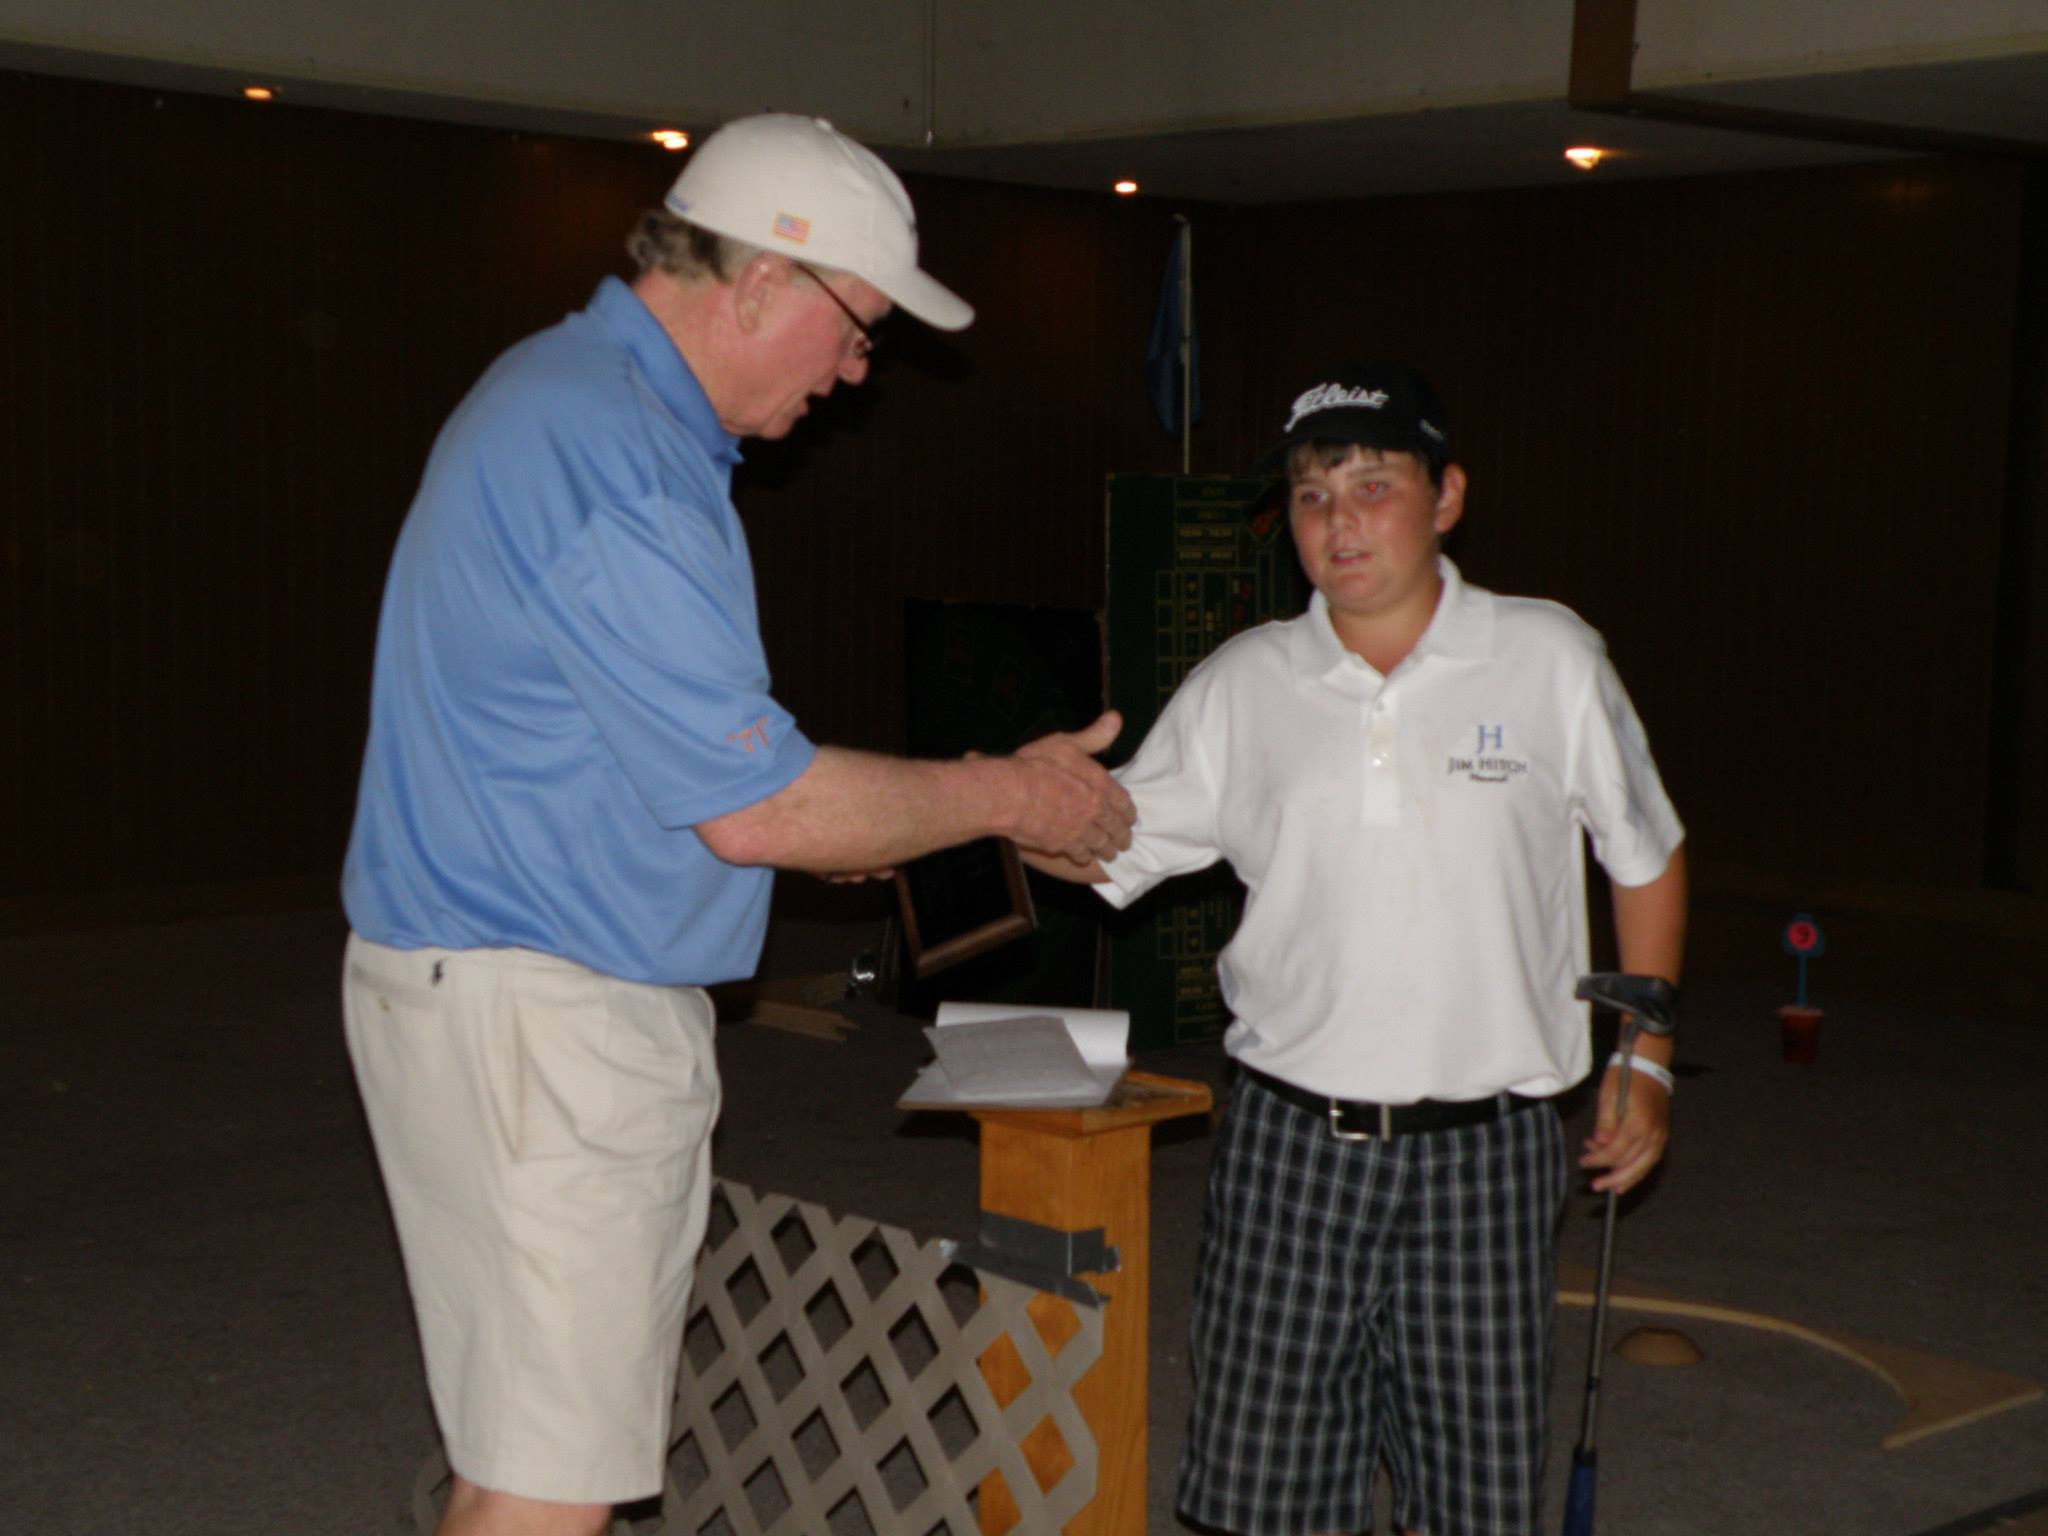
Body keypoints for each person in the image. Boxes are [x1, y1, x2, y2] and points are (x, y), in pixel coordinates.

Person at [339, 113, 1134, 1536]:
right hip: (544, 1026)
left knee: (521, 1451)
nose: (857, 370)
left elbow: (667, 773)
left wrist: (916, 817)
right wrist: (1008, 794)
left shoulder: (565, 400)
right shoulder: (616, 455)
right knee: (547, 1487)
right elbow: (761, 808)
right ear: (763, 280)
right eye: (859, 328)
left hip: (491, 998)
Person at [1027, 361, 1686, 1536]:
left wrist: (1644, 1061)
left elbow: (1643, 855)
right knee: (1262, 1495)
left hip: (1487, 1149)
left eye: (1371, 485)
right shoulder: (1243, 683)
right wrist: (1024, 807)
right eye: (1310, 495)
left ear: (1447, 497)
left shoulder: (1547, 657)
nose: (1338, 522)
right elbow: (1106, 849)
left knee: (1474, 1497)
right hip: (1288, 1145)